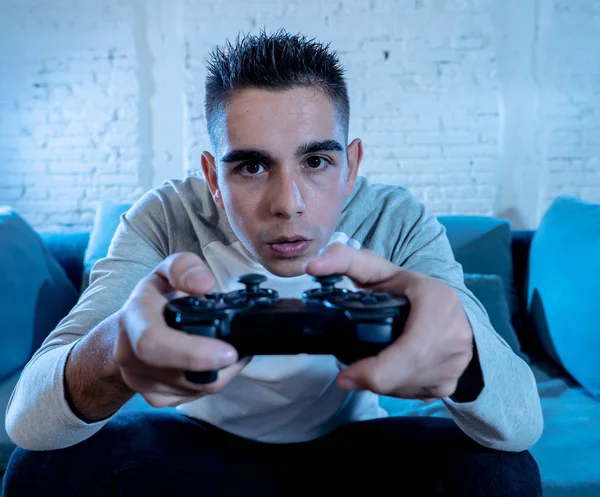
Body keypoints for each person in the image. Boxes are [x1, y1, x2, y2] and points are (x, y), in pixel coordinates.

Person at [3, 29, 543, 496]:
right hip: (197, 453)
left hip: (352, 452)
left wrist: (466, 357)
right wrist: (114, 348)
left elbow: (522, 423)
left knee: (501, 474)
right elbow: (28, 422)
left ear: (350, 165)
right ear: (213, 178)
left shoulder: (394, 220)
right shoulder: (164, 219)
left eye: (315, 161)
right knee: (46, 471)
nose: (288, 203)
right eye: (253, 167)